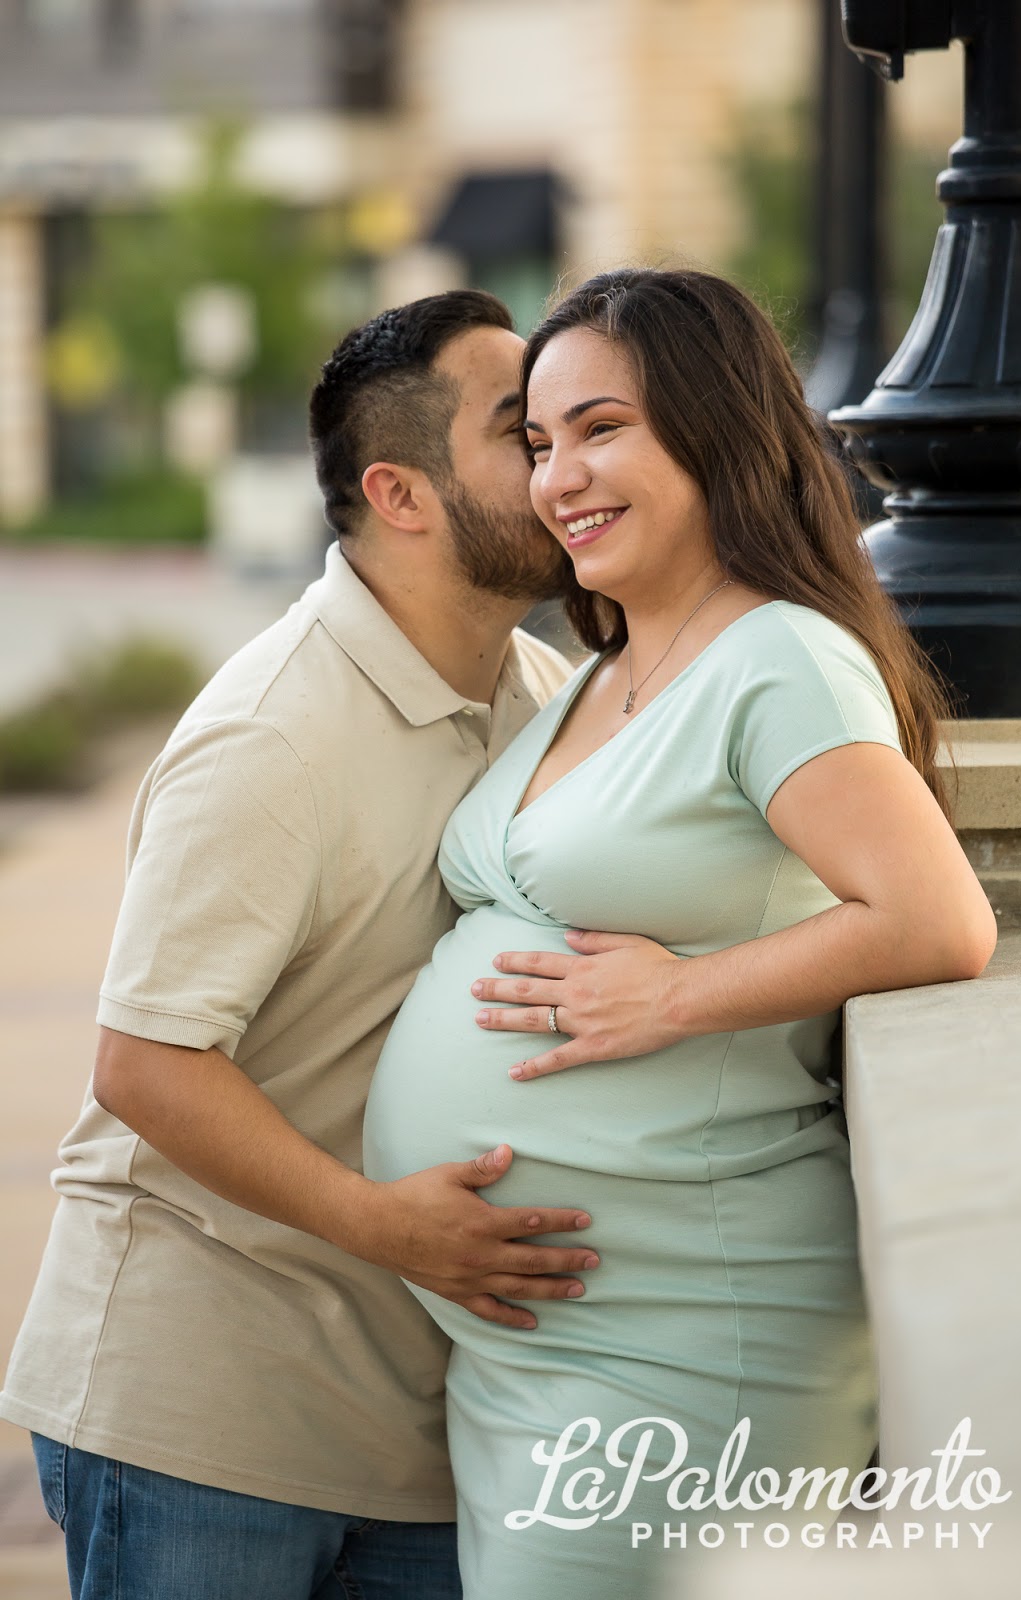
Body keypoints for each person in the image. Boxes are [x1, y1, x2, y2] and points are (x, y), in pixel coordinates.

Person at [362, 268, 999, 1597]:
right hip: (537, 1353)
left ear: (713, 431)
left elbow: (938, 920)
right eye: (538, 443)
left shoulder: (779, 659)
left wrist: (670, 1001)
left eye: (602, 429)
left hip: (684, 1341)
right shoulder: (605, 664)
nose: (557, 477)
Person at [0, 289, 604, 1600]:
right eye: (523, 435)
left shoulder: (545, 699)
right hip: (200, 1424)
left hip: (423, 1426)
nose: (563, 467)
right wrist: (392, 1228)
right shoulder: (273, 734)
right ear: (402, 494)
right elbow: (145, 1064)